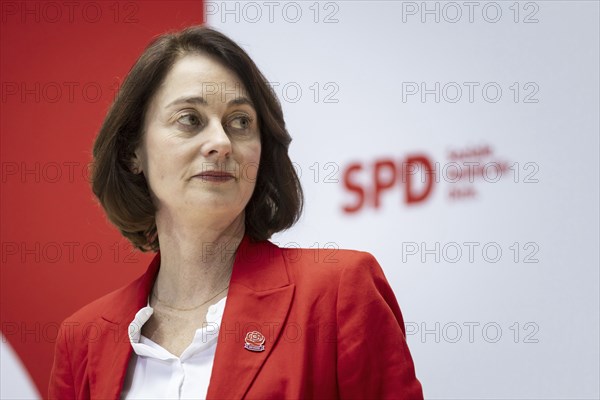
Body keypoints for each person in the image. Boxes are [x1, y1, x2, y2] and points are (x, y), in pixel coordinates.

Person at [48, 25, 423, 399]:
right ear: (134, 152)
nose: (221, 143)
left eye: (241, 122)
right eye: (190, 119)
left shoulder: (339, 293)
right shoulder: (83, 338)